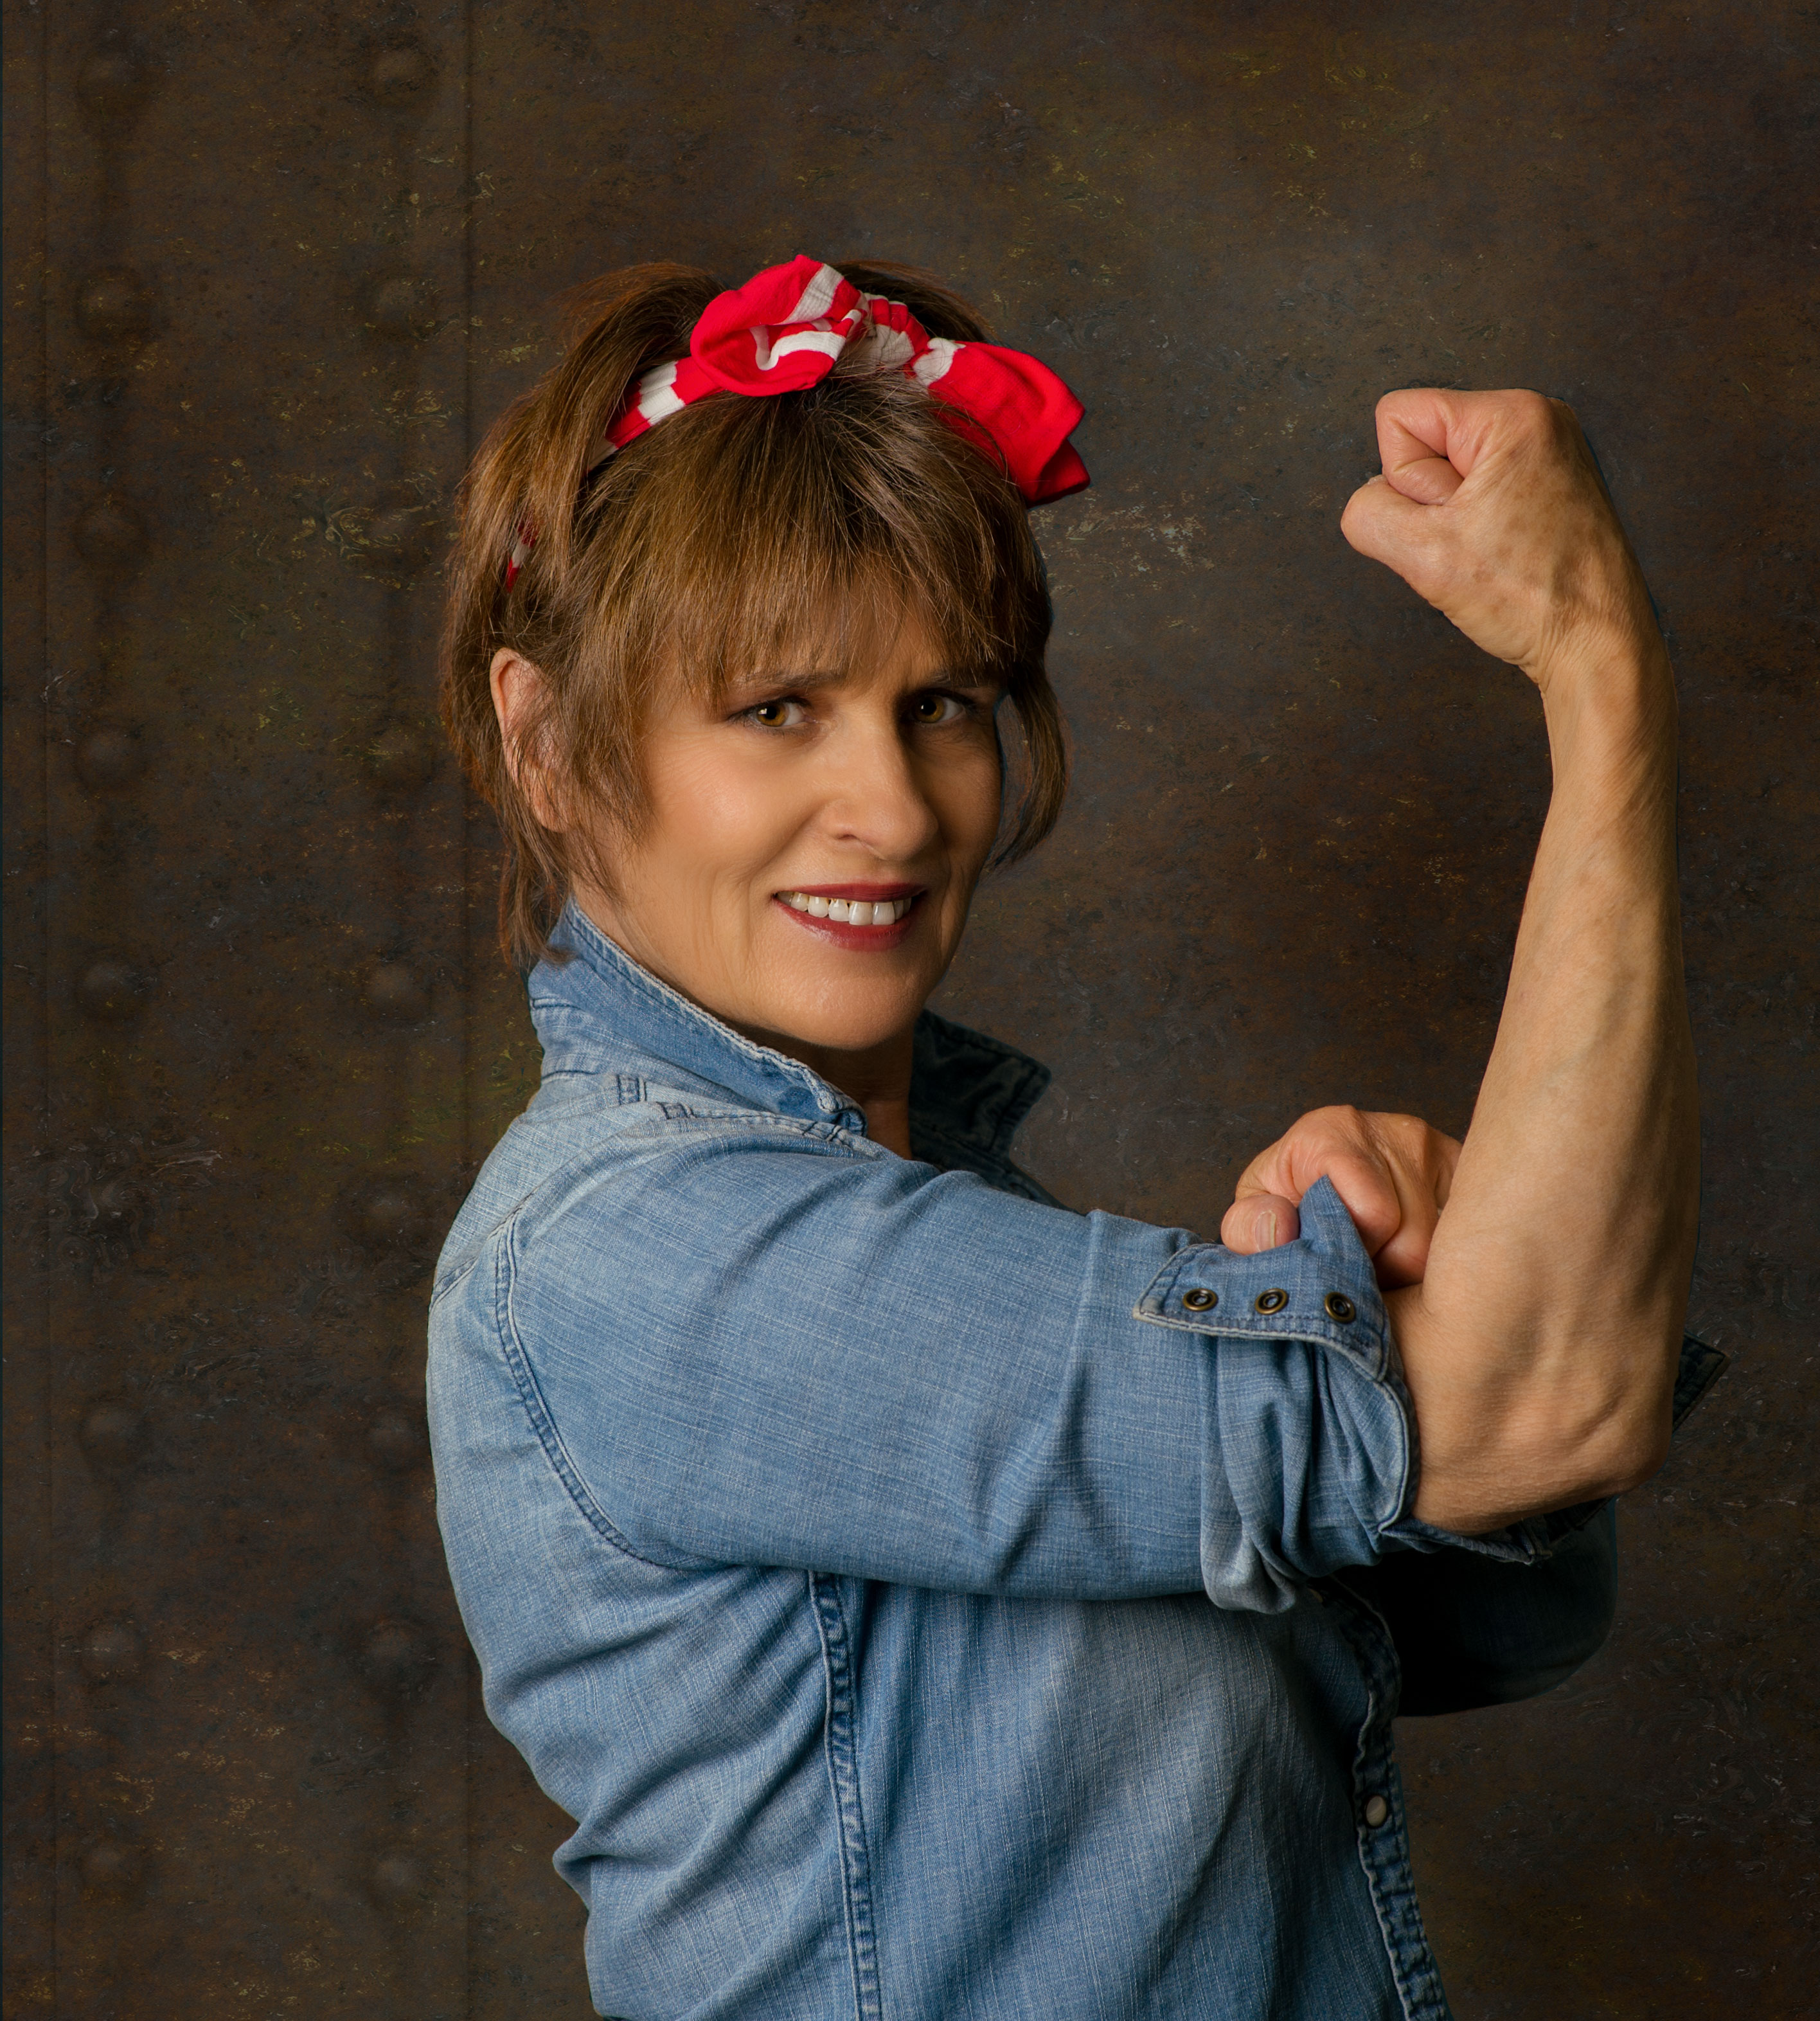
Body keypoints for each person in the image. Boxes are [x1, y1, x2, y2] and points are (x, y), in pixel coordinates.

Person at [429, 255, 1721, 2020]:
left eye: (943, 704)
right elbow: (1545, 1404)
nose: (893, 809)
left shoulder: (940, 1216)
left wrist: (1435, 1250)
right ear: (546, 745)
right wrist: (1602, 671)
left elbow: (1505, 1618)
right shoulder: (643, 1252)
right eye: (775, 707)